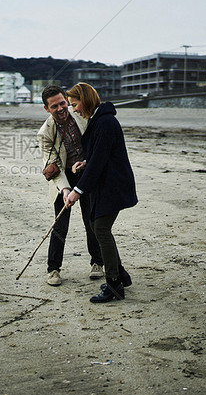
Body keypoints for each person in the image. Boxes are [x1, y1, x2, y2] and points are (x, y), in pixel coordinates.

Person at [65, 82, 137, 303]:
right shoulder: (99, 120)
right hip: (107, 184)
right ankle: (120, 275)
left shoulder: (105, 122)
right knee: (99, 228)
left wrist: (77, 190)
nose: (74, 109)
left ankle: (114, 284)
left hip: (113, 185)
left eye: (74, 104)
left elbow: (100, 161)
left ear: (85, 100)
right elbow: (98, 156)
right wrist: (84, 163)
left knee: (101, 229)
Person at [37, 85, 104, 287]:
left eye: (62, 103)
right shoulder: (45, 133)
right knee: (60, 226)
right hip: (63, 178)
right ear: (46, 109)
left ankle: (97, 263)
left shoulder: (81, 116)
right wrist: (66, 190)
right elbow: (53, 166)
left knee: (91, 221)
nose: (61, 108)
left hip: (87, 174)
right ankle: (53, 269)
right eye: (54, 106)